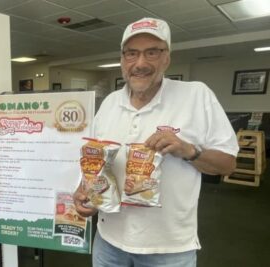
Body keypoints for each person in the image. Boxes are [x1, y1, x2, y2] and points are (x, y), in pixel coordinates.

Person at [74, 17, 239, 267]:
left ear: (166, 58)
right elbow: (98, 166)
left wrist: (189, 150)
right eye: (132, 54)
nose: (140, 63)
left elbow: (227, 165)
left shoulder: (196, 95)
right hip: (108, 242)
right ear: (122, 60)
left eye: (151, 52)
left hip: (168, 249)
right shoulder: (109, 104)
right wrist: (86, 192)